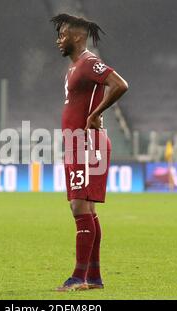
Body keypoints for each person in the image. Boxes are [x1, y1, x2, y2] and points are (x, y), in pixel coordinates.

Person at [51, 13, 129, 292]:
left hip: (86, 143)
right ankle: (93, 277)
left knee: (78, 207)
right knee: (87, 209)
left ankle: (78, 276)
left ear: (77, 36)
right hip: (77, 143)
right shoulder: (73, 69)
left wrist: (95, 114)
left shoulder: (88, 63)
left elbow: (119, 84)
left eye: (62, 35)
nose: (58, 40)